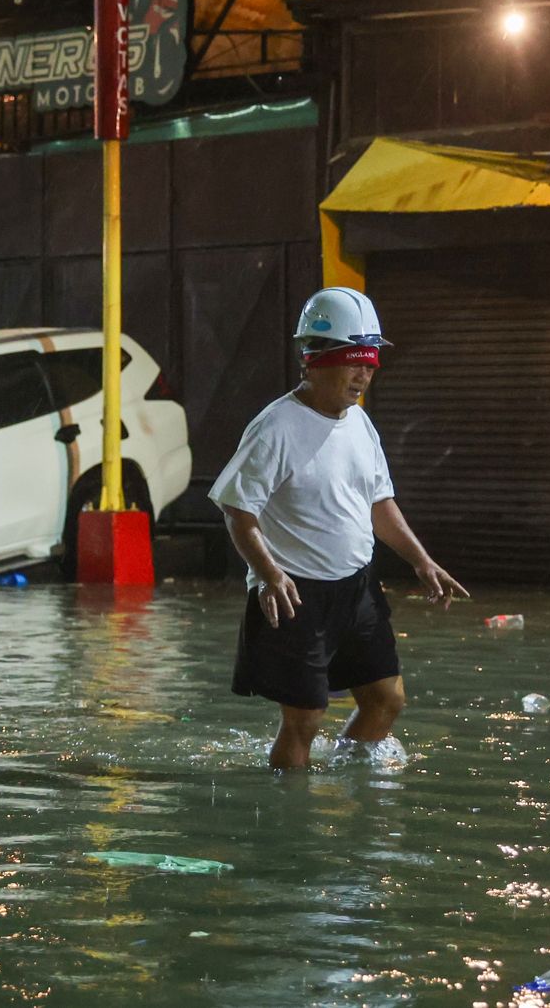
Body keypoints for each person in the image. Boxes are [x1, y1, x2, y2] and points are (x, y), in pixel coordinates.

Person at [209, 286, 469, 770]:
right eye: (354, 361)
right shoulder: (276, 427)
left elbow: (379, 503)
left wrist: (421, 560)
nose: (364, 374)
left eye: (370, 362)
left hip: (357, 588)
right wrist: (269, 573)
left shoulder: (359, 424)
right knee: (305, 720)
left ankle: (346, 781)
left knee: (386, 699)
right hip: (295, 592)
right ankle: (292, 821)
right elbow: (237, 511)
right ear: (313, 360)